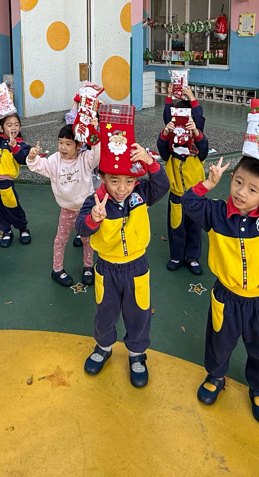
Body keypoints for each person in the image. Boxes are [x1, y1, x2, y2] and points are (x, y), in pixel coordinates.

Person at [181, 148, 259, 424]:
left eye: (252, 189)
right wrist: (208, 183)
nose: (240, 192)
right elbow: (188, 202)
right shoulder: (216, 212)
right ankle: (216, 375)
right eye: (238, 182)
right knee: (219, 342)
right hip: (227, 295)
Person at [75, 144, 169, 387]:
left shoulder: (141, 194)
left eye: (129, 181)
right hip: (107, 268)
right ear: (102, 176)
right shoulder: (95, 201)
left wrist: (150, 162)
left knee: (139, 313)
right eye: (114, 180)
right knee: (105, 313)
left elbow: (162, 185)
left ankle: (137, 354)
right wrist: (93, 218)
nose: (122, 188)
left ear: (136, 180)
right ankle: (103, 347)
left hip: (137, 267)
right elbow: (81, 227)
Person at [27, 122, 100, 287]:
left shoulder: (85, 158)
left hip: (86, 210)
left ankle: (88, 266)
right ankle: (57, 269)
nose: (63, 147)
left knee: (88, 240)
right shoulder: (54, 160)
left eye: (68, 143)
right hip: (67, 210)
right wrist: (32, 157)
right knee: (60, 239)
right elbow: (38, 165)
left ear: (79, 145)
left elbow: (97, 153)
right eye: (60, 142)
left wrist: (94, 130)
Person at [157, 84, 209, 275]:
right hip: (177, 196)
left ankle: (192, 257)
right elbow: (162, 143)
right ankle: (177, 256)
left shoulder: (198, 151)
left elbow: (201, 134)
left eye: (190, 123)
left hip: (195, 197)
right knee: (176, 228)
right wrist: (169, 98)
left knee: (194, 228)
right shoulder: (170, 153)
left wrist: (192, 98)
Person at [0, 108, 31, 247]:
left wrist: (15, 148)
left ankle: (23, 228)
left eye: (16, 124)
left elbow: (23, 159)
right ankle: (6, 231)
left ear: (20, 127)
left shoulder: (22, 145)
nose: (13, 128)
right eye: (9, 125)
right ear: (1, 128)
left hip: (5, 185)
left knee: (13, 208)